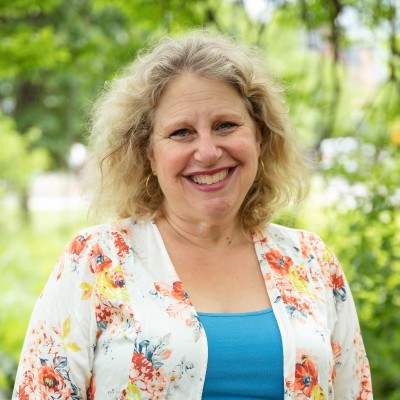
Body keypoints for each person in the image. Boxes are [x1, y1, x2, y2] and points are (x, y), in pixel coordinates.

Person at [13, 32, 372, 400]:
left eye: (226, 125)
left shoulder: (312, 261)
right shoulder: (95, 260)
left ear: (259, 138)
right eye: (181, 132)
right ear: (149, 154)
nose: (208, 151)